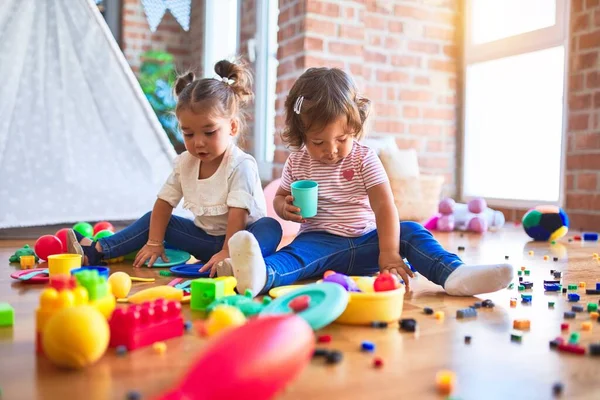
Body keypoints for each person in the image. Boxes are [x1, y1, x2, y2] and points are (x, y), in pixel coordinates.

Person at [223, 67, 513, 296]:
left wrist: (388, 253)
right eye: (318, 141)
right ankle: (258, 274)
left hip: (367, 243)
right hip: (319, 242)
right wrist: (284, 207)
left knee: (411, 231)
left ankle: (454, 274)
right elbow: (279, 196)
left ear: (355, 127)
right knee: (295, 256)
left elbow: (385, 207)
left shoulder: (364, 159)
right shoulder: (298, 161)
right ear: (301, 135)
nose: (331, 149)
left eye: (342, 138)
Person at [66, 59, 282, 275]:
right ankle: (97, 250)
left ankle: (239, 262)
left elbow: (238, 213)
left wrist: (227, 250)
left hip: (240, 239)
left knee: (270, 227)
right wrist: (154, 242)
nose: (198, 142)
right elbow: (164, 202)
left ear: (232, 127)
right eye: (188, 133)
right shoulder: (185, 162)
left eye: (209, 132)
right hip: (204, 241)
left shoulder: (240, 164)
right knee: (154, 219)